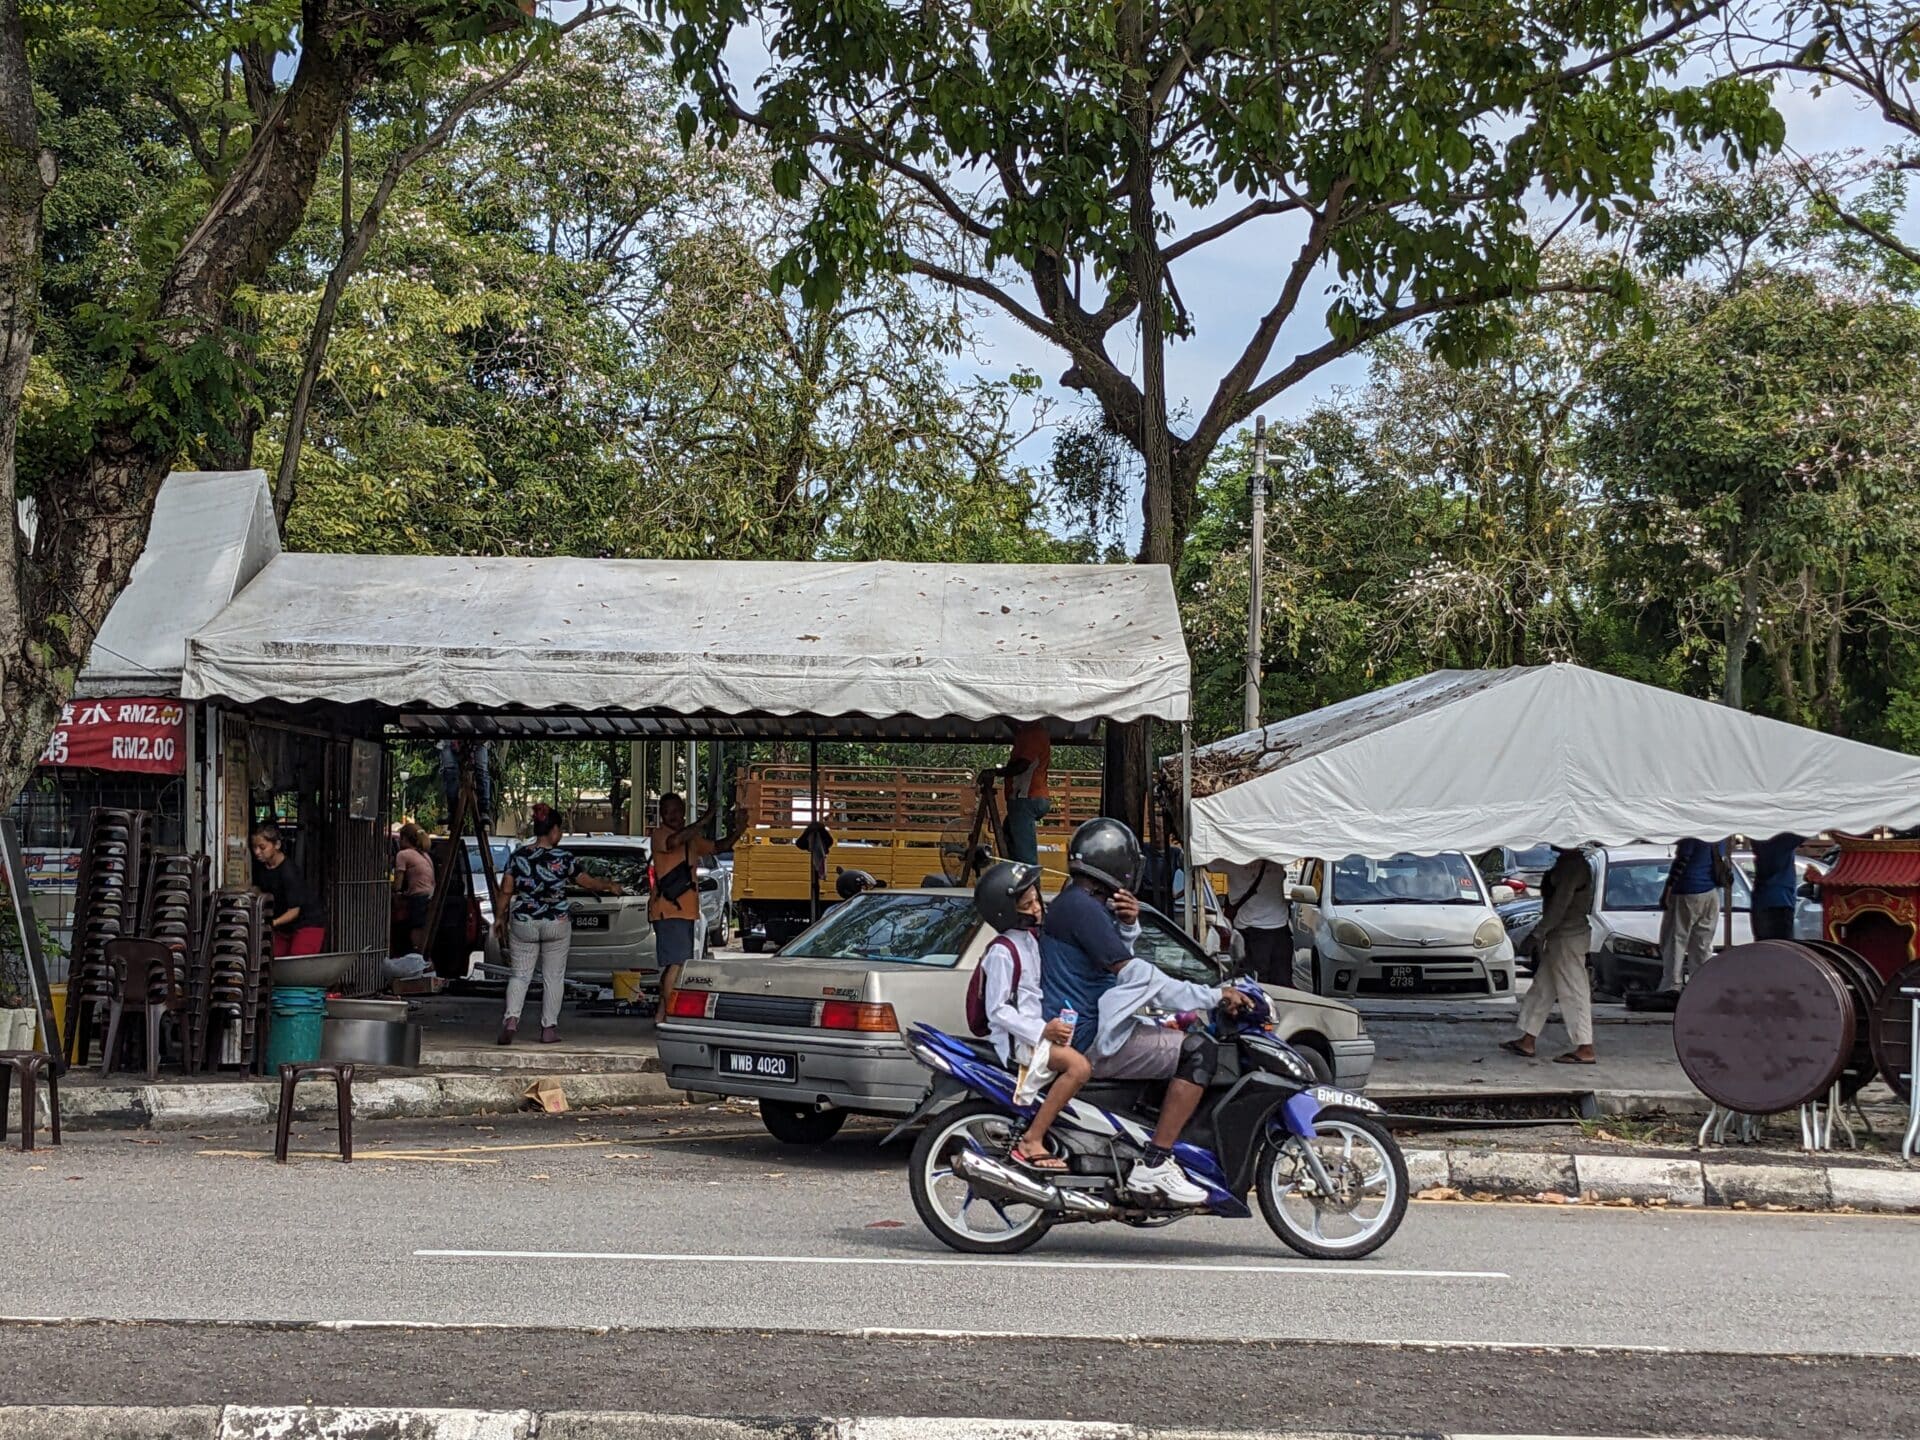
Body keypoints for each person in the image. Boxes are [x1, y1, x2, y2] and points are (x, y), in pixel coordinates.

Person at [1040, 817, 1249, 1204]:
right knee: (1198, 1050)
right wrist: (1212, 995)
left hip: (1085, 1027)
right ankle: (1156, 1161)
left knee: (1171, 1037)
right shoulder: (1082, 909)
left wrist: (1130, 924)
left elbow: (1118, 965)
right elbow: (1138, 975)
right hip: (1088, 1037)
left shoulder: (1079, 903)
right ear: (1121, 865)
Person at [973, 860, 1093, 1171]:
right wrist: (1043, 1031)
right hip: (1018, 1042)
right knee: (1078, 1068)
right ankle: (1032, 1139)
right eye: (1027, 905)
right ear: (1006, 911)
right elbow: (997, 1010)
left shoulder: (1029, 940)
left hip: (1037, 1033)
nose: (1037, 908)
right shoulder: (1002, 951)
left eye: (1036, 900)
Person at [493, 811, 623, 1044]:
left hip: (524, 921)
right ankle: (548, 1029)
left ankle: (511, 1020)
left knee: (520, 975)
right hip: (556, 922)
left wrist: (499, 918)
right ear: (553, 831)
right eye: (560, 830)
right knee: (553, 977)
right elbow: (587, 882)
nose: (560, 834)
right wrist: (608, 885)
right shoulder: (564, 858)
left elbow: (506, 890)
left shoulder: (518, 855)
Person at [650, 791, 747, 1009]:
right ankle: (670, 1013)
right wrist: (706, 818)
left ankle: (662, 1013)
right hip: (669, 909)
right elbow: (674, 841)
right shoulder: (659, 835)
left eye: (675, 811)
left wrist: (738, 831)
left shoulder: (692, 840)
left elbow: (719, 847)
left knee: (676, 964)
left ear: (683, 812)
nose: (671, 816)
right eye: (666, 812)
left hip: (685, 910)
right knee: (676, 964)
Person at [1501, 845, 1597, 1064]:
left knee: (1574, 989)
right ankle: (1528, 1038)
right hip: (1561, 935)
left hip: (1568, 936)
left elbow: (1559, 906)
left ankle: (1585, 1046)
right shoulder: (1567, 864)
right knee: (1542, 989)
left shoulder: (1572, 867)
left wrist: (1537, 933)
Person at [1657, 836, 1727, 995]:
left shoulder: (1693, 834)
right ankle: (1701, 986)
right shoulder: (1720, 835)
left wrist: (1667, 889)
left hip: (1687, 890)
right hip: (1711, 892)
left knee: (1676, 940)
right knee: (1702, 943)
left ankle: (1672, 986)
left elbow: (1683, 860)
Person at [250, 822, 328, 957]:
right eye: (254, 847)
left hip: (307, 923)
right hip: (283, 926)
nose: (257, 852)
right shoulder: (262, 868)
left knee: (296, 963)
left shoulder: (289, 871)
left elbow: (294, 911)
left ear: (277, 845)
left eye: (262, 847)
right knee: (272, 959)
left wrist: (272, 923)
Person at [1215, 859, 1292, 984]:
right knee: (1281, 982)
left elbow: (1206, 862)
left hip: (1251, 932)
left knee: (1253, 982)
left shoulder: (1231, 860)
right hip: (1279, 932)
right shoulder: (1276, 857)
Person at [997, 721, 1052, 867]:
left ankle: (1030, 885)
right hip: (1029, 797)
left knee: (1025, 853)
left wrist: (996, 772)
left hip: (1026, 798)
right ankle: (1015, 873)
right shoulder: (1026, 732)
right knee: (1009, 833)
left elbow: (1022, 765)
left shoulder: (1033, 734)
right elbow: (1015, 727)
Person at [392, 822, 435, 956]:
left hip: (418, 898)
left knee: (415, 931)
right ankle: (424, 958)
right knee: (423, 929)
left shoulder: (403, 855)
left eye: (400, 838)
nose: (399, 841)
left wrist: (394, 891)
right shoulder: (425, 855)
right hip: (430, 896)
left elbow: (398, 884)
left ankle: (417, 958)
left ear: (405, 838)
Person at [1750, 833, 1804, 942]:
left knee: (1765, 946)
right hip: (1780, 901)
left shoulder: (1759, 841)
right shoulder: (1781, 841)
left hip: (1762, 901)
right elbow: (1804, 831)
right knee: (1782, 948)